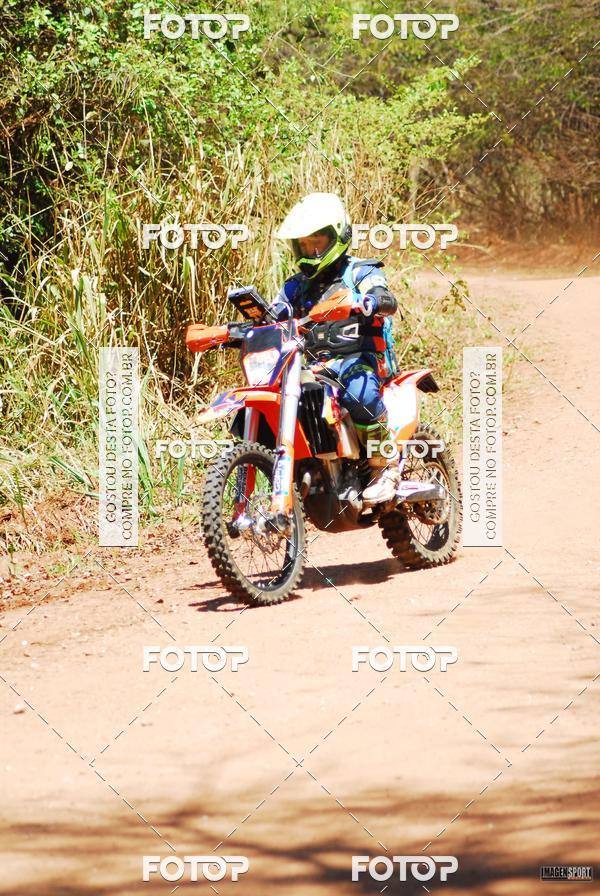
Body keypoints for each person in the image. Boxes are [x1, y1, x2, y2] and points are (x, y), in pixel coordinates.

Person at [272, 191, 402, 505]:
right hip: (312, 366)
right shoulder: (295, 286)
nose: (310, 250)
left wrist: (372, 300)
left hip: (358, 358)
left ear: (337, 237)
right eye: (304, 245)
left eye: (316, 242)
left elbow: (384, 296)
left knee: (358, 391)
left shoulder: (360, 272)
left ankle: (386, 465)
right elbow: (275, 310)